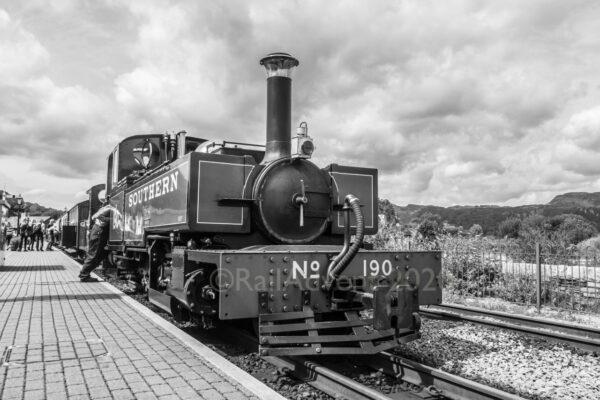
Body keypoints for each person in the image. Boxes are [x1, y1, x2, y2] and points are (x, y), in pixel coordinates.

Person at [79, 199, 114, 282]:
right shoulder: (108, 208)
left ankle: (85, 274)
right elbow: (95, 216)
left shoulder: (105, 208)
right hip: (98, 232)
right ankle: (84, 275)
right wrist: (112, 220)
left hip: (98, 232)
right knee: (93, 255)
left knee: (98, 255)